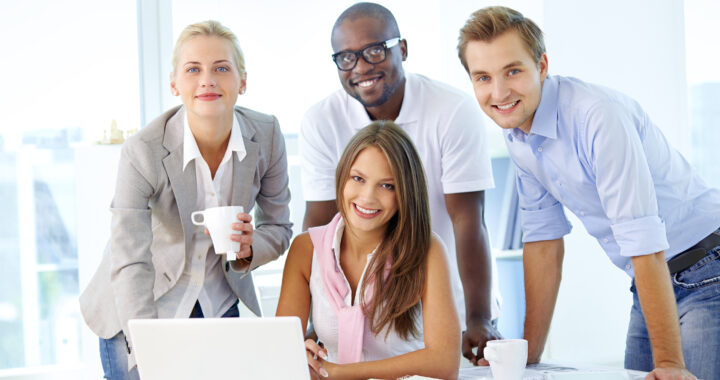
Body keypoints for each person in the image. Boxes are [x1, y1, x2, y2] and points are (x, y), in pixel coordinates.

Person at [457, 6, 720, 380]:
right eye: (483, 77)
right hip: (649, 283)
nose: (498, 92)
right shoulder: (516, 132)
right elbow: (544, 241)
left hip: (708, 270)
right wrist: (526, 358)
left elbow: (641, 235)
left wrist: (670, 364)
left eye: (512, 71)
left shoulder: (596, 116)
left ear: (542, 66)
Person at [79, 20, 292, 379]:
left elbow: (280, 226)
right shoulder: (143, 151)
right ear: (174, 84)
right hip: (140, 306)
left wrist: (249, 248)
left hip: (217, 306)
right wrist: (148, 344)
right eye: (193, 69)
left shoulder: (267, 136)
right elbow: (129, 259)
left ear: (243, 81)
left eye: (221, 68)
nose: (207, 80)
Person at [300, 2, 501, 364]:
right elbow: (320, 220)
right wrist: (317, 319)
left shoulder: (451, 110)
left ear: (402, 49)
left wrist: (478, 317)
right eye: (345, 57)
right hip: (357, 312)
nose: (360, 67)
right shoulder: (320, 120)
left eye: (374, 51)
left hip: (445, 303)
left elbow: (467, 220)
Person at [277, 121, 460, 379]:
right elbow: (280, 352)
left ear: (405, 193)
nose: (367, 197)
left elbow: (444, 361)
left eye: (387, 185)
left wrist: (342, 373)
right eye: (358, 178)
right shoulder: (305, 250)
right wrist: (302, 358)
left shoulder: (428, 250)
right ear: (342, 176)